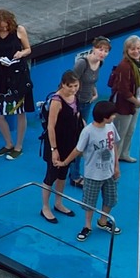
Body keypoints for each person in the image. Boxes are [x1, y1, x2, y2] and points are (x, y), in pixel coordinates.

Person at [0, 8, 33, 157]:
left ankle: (18, 146)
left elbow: (28, 49)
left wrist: (20, 53)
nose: (4, 29)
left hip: (18, 74)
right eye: (2, 27)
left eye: (6, 26)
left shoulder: (19, 30)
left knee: (20, 112)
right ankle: (8, 143)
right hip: (1, 74)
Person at [39, 67, 85, 224]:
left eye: (76, 86)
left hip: (70, 142)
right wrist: (54, 149)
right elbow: (51, 127)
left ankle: (58, 202)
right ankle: (45, 207)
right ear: (63, 85)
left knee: (63, 174)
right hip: (56, 143)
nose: (73, 89)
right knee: (51, 175)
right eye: (70, 86)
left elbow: (78, 117)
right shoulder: (56, 101)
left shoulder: (74, 97)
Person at [75, 98, 122, 238]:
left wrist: (116, 166)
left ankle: (103, 221)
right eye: (112, 115)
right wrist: (65, 162)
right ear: (104, 117)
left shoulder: (111, 127)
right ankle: (87, 226)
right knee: (90, 201)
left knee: (111, 198)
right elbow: (78, 150)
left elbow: (114, 145)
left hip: (109, 172)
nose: (114, 117)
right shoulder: (88, 131)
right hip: (93, 174)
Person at [108, 35, 140, 163]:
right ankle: (114, 160)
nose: (136, 51)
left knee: (130, 130)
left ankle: (124, 154)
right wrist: (136, 102)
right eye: (132, 49)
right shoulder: (124, 66)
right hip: (125, 105)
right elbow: (123, 90)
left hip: (136, 103)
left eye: (138, 48)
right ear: (126, 50)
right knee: (120, 133)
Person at [68, 37, 109, 116]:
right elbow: (71, 83)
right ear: (93, 49)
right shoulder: (82, 63)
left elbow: (92, 80)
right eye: (100, 50)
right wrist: (73, 104)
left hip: (88, 101)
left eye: (106, 51)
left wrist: (95, 94)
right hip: (76, 102)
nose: (103, 53)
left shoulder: (100, 62)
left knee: (83, 126)